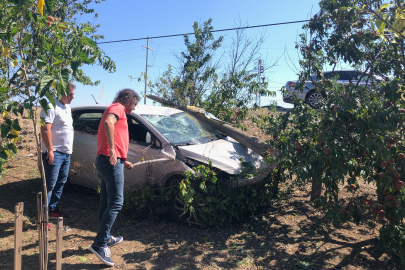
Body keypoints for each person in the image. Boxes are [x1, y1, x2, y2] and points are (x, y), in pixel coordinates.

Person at [90, 88, 140, 267]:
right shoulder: (118, 108)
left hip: (106, 161)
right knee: (117, 202)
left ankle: (105, 237)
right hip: (109, 161)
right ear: (128, 100)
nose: (134, 108)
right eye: (134, 103)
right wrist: (112, 150)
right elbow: (109, 123)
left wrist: (122, 159)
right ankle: (100, 244)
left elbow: (115, 133)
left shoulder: (115, 107)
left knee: (106, 201)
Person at [40, 82, 75, 219]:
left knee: (60, 182)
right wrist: (50, 150)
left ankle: (53, 209)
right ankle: (43, 216)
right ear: (61, 92)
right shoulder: (50, 106)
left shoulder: (67, 108)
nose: (73, 97)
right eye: (70, 95)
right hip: (54, 153)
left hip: (66, 153)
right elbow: (45, 129)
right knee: (49, 184)